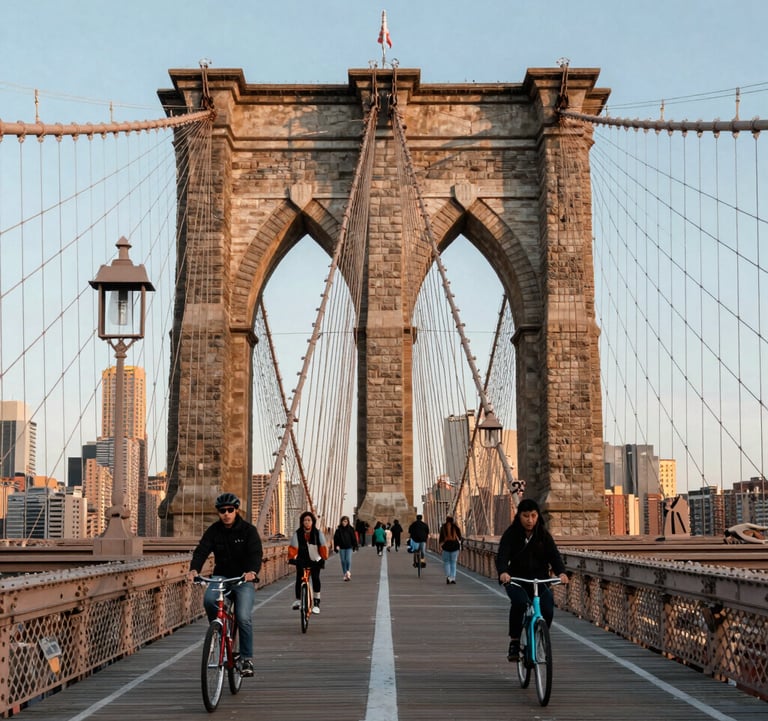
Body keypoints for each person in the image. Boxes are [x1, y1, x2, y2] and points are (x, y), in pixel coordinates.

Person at [188, 492, 263, 678]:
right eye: (222, 511)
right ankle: (219, 630)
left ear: (236, 510)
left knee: (243, 616)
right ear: (218, 513)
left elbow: (256, 554)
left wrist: (252, 572)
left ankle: (246, 658)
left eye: (230, 510)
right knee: (209, 600)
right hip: (221, 577)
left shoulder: (248, 531)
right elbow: (202, 550)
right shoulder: (214, 530)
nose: (226, 514)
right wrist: (194, 570)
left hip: (242, 579)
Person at [495, 498, 568, 662]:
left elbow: (554, 556)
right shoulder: (511, 534)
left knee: (548, 607)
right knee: (520, 603)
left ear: (537, 516)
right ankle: (514, 641)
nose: (530, 520)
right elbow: (502, 556)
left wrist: (561, 573)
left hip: (539, 580)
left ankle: (540, 637)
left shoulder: (543, 534)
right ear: (519, 516)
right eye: (526, 516)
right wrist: (503, 572)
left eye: (533, 516)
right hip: (516, 580)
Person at [288, 511, 329, 613]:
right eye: (305, 520)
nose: (307, 522)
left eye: (309, 520)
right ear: (302, 522)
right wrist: (292, 558)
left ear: (312, 522)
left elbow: (323, 547)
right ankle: (298, 600)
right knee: (299, 579)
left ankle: (316, 603)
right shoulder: (297, 534)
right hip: (302, 560)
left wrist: (324, 557)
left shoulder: (318, 533)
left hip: (315, 560)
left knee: (315, 578)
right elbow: (293, 547)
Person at [439, 515, 463, 584]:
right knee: (453, 563)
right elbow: (460, 537)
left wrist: (440, 545)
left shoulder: (443, 527)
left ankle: (448, 576)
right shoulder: (455, 527)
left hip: (446, 546)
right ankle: (453, 578)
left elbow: (441, 537)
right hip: (455, 546)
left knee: (446, 562)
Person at [333, 515, 358, 580]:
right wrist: (336, 546)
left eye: (346, 521)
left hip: (349, 547)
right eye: (343, 521)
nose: (344, 523)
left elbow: (353, 538)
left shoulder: (351, 529)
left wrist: (355, 546)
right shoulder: (338, 529)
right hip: (341, 547)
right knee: (343, 561)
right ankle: (345, 574)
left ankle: (348, 572)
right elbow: (336, 538)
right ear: (341, 522)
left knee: (348, 560)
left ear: (348, 522)